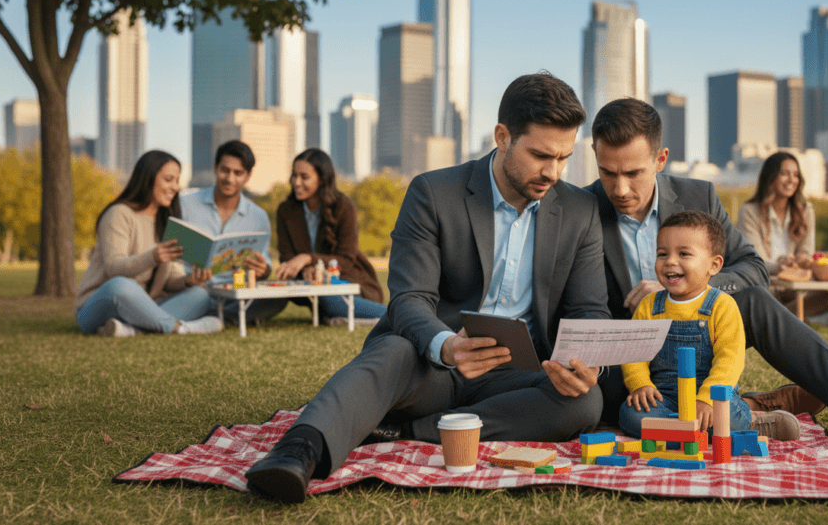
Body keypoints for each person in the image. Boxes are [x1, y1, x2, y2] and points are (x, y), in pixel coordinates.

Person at [245, 72, 611, 503]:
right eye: (540, 155)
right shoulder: (434, 192)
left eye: (564, 157)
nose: (553, 172)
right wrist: (447, 346)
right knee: (392, 351)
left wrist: (587, 362)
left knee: (585, 402)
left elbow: (589, 309)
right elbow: (409, 299)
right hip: (430, 363)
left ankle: (405, 429)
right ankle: (297, 451)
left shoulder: (580, 209)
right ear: (502, 137)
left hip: (515, 378)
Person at [585, 98, 828, 443]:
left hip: (703, 326)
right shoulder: (583, 207)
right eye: (607, 172)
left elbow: (753, 268)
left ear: (660, 159)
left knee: (755, 300)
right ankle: (752, 408)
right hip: (629, 360)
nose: (620, 188)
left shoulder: (699, 196)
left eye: (633, 172)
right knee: (613, 409)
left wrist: (691, 289)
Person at [619, 211, 800, 442]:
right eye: (662, 254)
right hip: (665, 398)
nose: (670, 261)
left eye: (684, 253)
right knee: (632, 416)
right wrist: (640, 385)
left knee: (728, 419)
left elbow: (730, 359)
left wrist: (706, 399)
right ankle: (695, 433)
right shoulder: (649, 306)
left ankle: (749, 424)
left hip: (712, 396)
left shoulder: (722, 306)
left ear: (714, 265)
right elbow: (634, 354)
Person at [75, 150, 223, 337]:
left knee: (200, 295)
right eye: (168, 179)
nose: (175, 187)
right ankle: (180, 328)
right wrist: (152, 257)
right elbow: (114, 268)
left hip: (146, 307)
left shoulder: (167, 223)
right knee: (121, 285)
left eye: (177, 181)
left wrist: (188, 280)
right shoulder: (119, 214)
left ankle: (131, 330)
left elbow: (170, 280)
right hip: (100, 306)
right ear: (148, 178)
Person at [179, 140, 285, 326]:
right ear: (215, 168)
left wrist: (263, 270)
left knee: (278, 297)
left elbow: (266, 263)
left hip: (236, 293)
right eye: (225, 170)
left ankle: (220, 316)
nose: (230, 178)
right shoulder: (186, 204)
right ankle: (229, 317)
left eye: (238, 173)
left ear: (248, 176)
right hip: (194, 289)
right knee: (196, 296)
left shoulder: (258, 216)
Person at [273, 148, 385, 322]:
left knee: (328, 297)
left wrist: (308, 258)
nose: (296, 182)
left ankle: (394, 315)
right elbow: (287, 258)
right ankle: (335, 314)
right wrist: (306, 270)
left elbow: (346, 260)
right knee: (305, 292)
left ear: (322, 179)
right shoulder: (285, 211)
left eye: (304, 177)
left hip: (347, 281)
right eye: (294, 175)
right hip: (310, 284)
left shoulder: (343, 206)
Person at [737, 151, 828, 325]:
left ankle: (775, 321)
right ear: (770, 177)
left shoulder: (805, 210)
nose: (792, 180)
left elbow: (806, 251)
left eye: (796, 175)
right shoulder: (749, 211)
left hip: (793, 284)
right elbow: (756, 261)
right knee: (765, 297)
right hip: (765, 285)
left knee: (824, 296)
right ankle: (805, 320)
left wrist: (801, 260)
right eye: (784, 173)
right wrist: (781, 265)